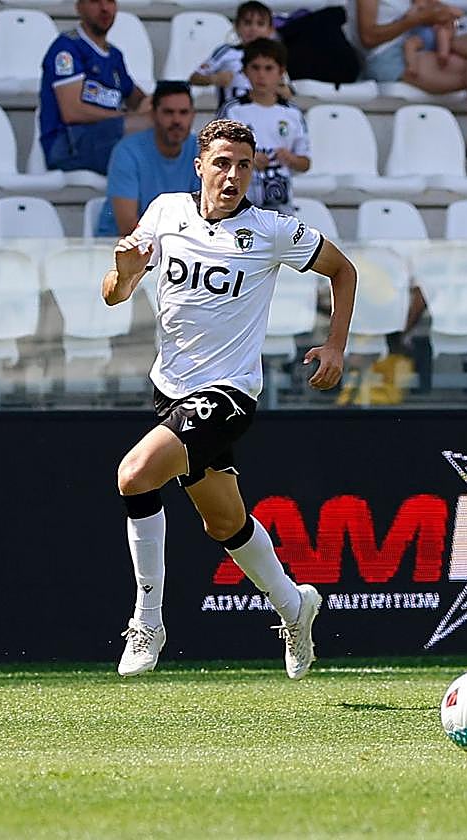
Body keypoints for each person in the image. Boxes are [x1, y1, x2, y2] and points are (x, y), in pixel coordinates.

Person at [102, 118, 357, 679]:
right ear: (199, 166)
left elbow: (343, 270)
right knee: (224, 524)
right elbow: (116, 293)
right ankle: (295, 605)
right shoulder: (167, 211)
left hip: (230, 392)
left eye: (244, 165)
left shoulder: (271, 230)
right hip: (169, 389)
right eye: (222, 163)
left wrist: (336, 346)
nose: (233, 175)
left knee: (135, 475)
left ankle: (148, 620)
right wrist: (121, 279)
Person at [351, 0, 467, 156]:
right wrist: (416, 19)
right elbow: (368, 38)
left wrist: (443, 16)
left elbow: (434, 9)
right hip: (389, 53)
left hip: (425, 41)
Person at [39, 0, 151, 174]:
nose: (105, 8)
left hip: (107, 139)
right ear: (79, 7)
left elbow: (139, 99)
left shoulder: (115, 55)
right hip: (68, 144)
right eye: (95, 1)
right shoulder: (66, 48)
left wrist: (157, 104)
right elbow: (72, 112)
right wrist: (127, 117)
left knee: (168, 123)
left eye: (110, 1)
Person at [96, 80, 201, 237]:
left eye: (183, 112)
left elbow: (207, 216)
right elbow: (128, 228)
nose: (177, 120)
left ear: (193, 116)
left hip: (177, 250)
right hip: (119, 249)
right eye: (168, 112)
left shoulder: (200, 150)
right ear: (153, 115)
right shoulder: (127, 152)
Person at [219, 39, 310, 212]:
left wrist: (290, 159)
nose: (261, 75)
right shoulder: (233, 110)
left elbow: (305, 162)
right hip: (240, 201)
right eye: (255, 68)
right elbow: (218, 153)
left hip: (280, 203)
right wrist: (248, 160)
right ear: (245, 71)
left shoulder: (292, 113)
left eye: (268, 68)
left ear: (281, 72)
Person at [190, 1, 289, 109]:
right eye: (247, 23)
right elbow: (194, 78)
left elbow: (287, 92)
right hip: (230, 118)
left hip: (264, 117)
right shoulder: (226, 52)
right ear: (237, 26)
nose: (253, 28)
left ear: (270, 30)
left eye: (260, 24)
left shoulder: (274, 56)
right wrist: (214, 79)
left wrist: (282, 90)